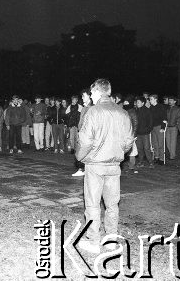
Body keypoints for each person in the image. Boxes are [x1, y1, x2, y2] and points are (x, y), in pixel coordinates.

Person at [76, 79, 133, 254]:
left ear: (99, 92)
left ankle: (93, 241)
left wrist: (80, 156)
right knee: (112, 204)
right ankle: (110, 240)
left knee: (92, 204)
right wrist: (117, 152)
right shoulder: (123, 113)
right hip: (114, 165)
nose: (91, 96)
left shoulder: (93, 112)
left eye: (92, 93)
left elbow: (85, 140)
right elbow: (129, 141)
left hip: (95, 164)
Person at [72, 89, 92, 177]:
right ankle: (82, 168)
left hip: (87, 133)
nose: (82, 98)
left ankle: (82, 169)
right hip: (82, 132)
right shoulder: (85, 107)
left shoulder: (92, 107)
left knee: (82, 151)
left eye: (84, 96)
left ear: (89, 96)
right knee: (80, 151)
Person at [135, 96, 154, 168]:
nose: (137, 103)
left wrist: (148, 130)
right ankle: (140, 162)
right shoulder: (136, 110)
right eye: (137, 102)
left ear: (143, 103)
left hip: (145, 133)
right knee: (139, 148)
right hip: (138, 133)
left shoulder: (147, 111)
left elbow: (151, 122)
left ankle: (151, 162)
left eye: (138, 102)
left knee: (147, 148)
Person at [148, 94, 167, 164]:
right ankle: (156, 157)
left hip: (159, 126)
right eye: (150, 99)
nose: (150, 101)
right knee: (155, 143)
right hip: (152, 127)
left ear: (155, 99)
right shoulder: (151, 108)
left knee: (160, 143)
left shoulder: (160, 107)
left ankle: (161, 159)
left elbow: (164, 117)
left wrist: (163, 127)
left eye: (151, 99)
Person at [123, 96, 138, 172]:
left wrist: (134, 134)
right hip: (124, 133)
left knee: (132, 150)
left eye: (127, 102)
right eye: (124, 102)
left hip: (130, 133)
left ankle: (132, 165)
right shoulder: (124, 111)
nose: (125, 104)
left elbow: (135, 123)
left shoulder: (132, 112)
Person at [165, 96, 180, 160]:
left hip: (174, 127)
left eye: (171, 100)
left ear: (175, 101)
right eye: (169, 100)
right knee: (168, 142)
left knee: (173, 142)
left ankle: (172, 156)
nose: (169, 101)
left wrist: (177, 125)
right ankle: (172, 153)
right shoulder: (168, 109)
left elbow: (179, 118)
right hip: (167, 127)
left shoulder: (177, 109)